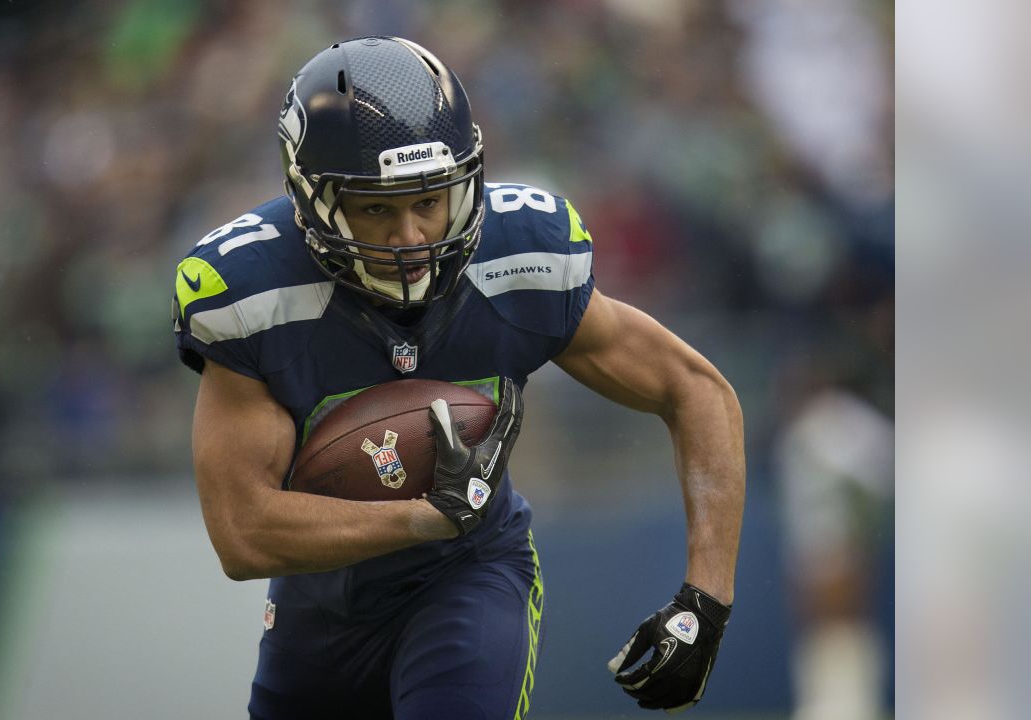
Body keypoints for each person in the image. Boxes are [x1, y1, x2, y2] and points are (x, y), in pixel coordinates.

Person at [172, 36, 744, 719]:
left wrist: (704, 603)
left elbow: (696, 390)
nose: (412, 235)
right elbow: (244, 534)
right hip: (318, 602)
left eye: (430, 200)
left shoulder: (521, 254)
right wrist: (422, 518)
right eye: (376, 209)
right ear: (310, 199)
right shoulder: (253, 295)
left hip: (468, 573)